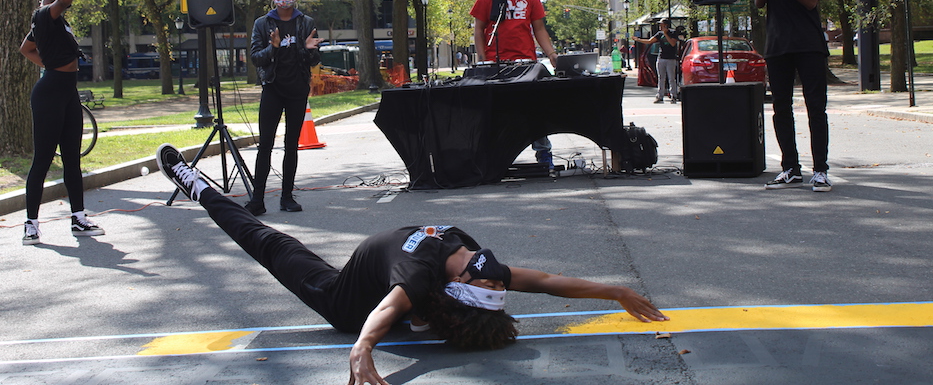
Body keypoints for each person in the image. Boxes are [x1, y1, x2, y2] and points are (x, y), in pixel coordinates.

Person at [155, 143, 668, 385]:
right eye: (490, 274)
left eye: (485, 275)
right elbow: (550, 282)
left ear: (459, 286)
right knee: (412, 306)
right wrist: (614, 291)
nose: (489, 269)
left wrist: (361, 347)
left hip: (348, 305)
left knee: (266, 241)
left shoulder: (423, 278)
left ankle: (197, 187)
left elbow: (381, 316)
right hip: (384, 280)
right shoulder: (478, 265)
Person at [19, 0, 105, 245]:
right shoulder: (45, 14)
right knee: (42, 160)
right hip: (49, 95)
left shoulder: (53, 23)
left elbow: (26, 48)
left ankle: (78, 217)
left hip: (68, 92)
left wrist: (47, 62)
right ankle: (31, 224)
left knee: (72, 158)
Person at [754, 0, 831, 192]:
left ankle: (820, 170)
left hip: (808, 43)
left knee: (815, 109)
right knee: (781, 108)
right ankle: (790, 168)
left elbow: (811, 1)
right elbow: (760, 2)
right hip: (778, 44)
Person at [470, 0, 560, 168]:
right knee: (497, 112)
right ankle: (492, 156)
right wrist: (482, 61)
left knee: (533, 109)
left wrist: (552, 55)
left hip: (526, 62)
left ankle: (543, 152)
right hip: (496, 63)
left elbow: (539, 29)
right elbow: (479, 30)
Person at [245, 0, 323, 215]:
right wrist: (274, 47)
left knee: (291, 145)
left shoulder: (306, 23)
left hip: (297, 90)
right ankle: (257, 200)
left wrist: (310, 51)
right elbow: (256, 57)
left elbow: (314, 59)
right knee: (265, 145)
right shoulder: (262, 24)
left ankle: (287, 197)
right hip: (273, 89)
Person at [634, 18, 679, 104]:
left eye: (661, 25)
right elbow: (650, 41)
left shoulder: (673, 33)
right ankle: (660, 96)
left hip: (671, 58)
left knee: (671, 78)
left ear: (666, 25)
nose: (660, 26)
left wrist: (666, 34)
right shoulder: (659, 34)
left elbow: (673, 43)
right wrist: (638, 40)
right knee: (661, 78)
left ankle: (673, 96)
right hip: (661, 57)